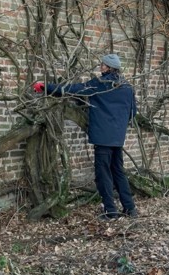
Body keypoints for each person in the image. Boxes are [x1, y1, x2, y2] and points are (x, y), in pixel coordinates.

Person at [32, 54, 138, 219]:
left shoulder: (99, 84)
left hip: (102, 138)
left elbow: (72, 90)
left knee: (103, 175)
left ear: (109, 67)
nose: (100, 67)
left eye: (103, 65)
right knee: (118, 172)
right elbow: (132, 113)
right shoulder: (127, 87)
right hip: (117, 138)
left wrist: (46, 87)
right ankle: (130, 209)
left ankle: (110, 212)